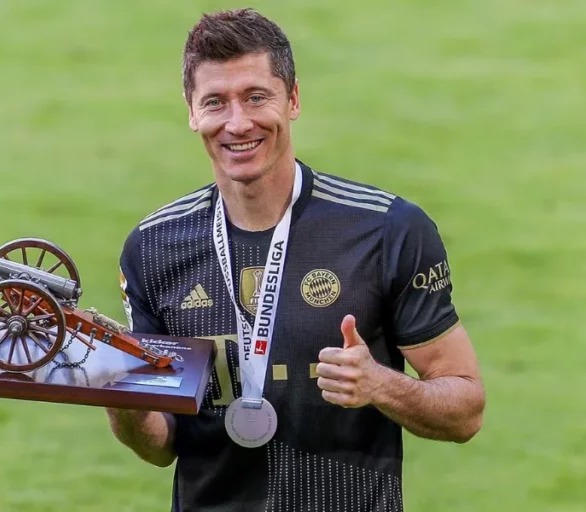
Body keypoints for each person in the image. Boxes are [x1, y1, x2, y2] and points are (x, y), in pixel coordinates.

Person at [106, 8, 485, 512]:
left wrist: (381, 385)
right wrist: (121, 400)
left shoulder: (385, 230)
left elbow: (465, 409)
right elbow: (162, 443)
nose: (237, 123)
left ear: (294, 99)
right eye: (215, 102)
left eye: (256, 97)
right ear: (192, 111)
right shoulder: (153, 247)